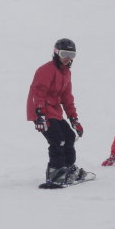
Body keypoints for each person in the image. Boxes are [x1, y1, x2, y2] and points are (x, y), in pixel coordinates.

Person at [27, 38, 86, 186]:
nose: (68, 58)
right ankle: (55, 172)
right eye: (64, 54)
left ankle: (68, 168)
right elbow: (38, 92)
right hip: (41, 110)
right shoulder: (46, 70)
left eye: (72, 55)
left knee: (69, 136)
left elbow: (67, 98)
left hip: (54, 111)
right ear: (56, 53)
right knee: (57, 139)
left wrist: (73, 119)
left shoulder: (66, 73)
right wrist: (39, 115)